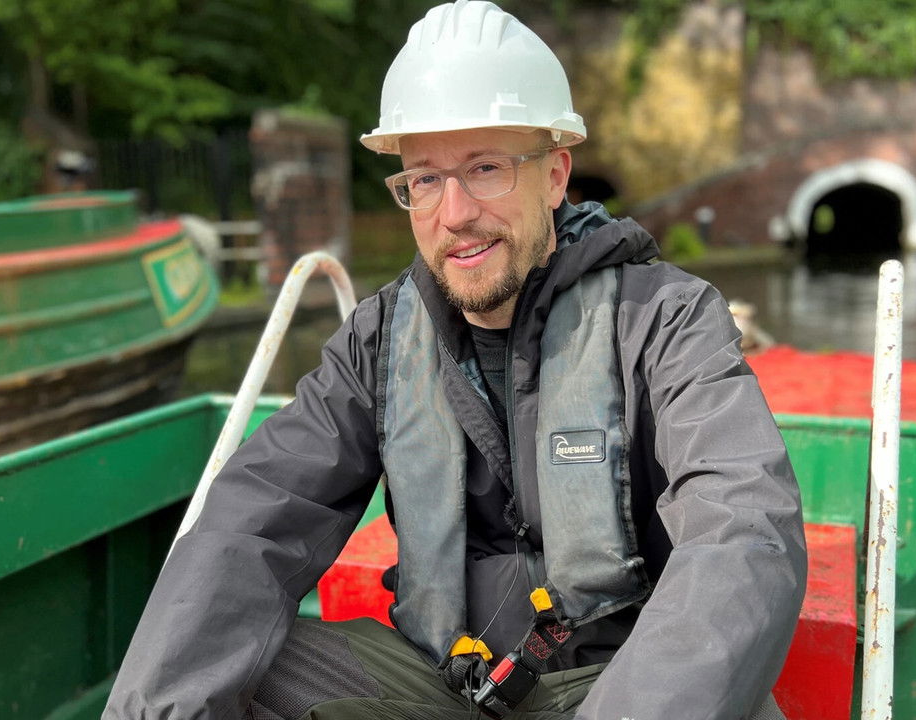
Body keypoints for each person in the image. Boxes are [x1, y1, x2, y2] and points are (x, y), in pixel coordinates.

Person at [103, 2, 806, 718]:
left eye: (486, 168)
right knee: (224, 662)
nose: (455, 212)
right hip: (441, 683)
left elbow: (742, 528)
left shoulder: (664, 318)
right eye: (425, 180)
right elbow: (253, 519)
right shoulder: (378, 341)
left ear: (556, 176)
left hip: (616, 682)